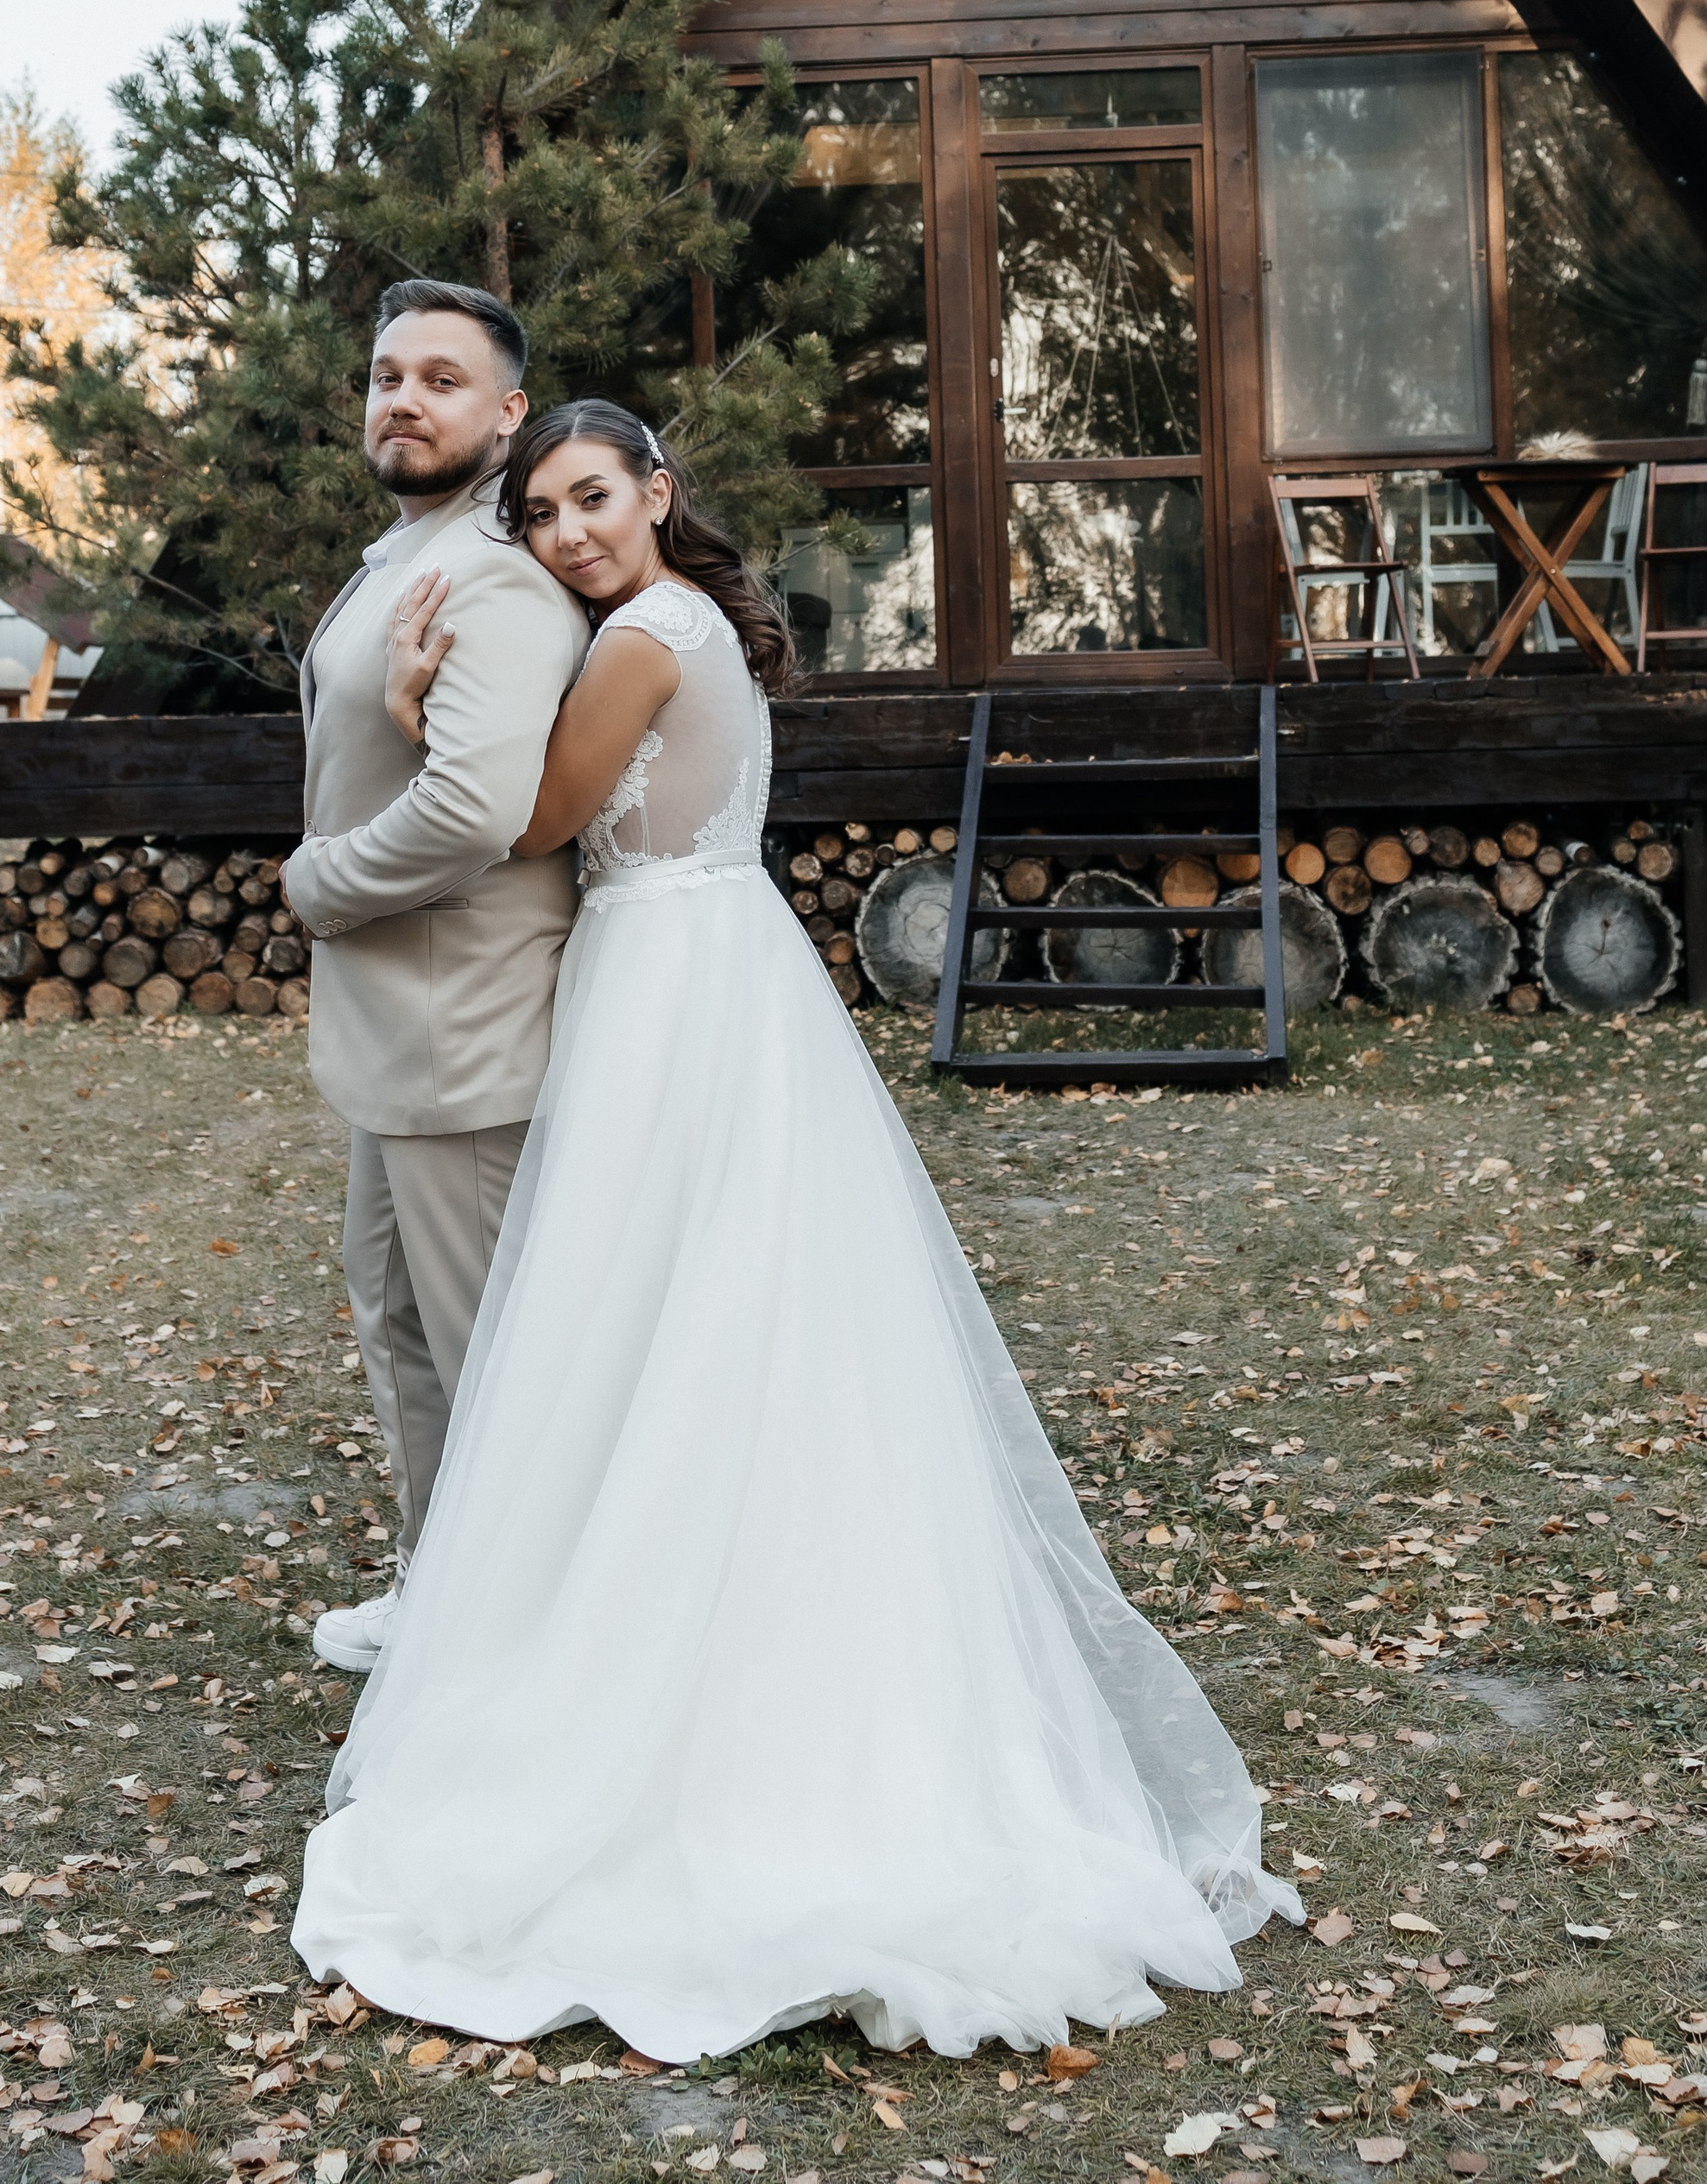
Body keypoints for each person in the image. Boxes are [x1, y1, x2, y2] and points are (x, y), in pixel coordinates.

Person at [291, 396, 1299, 2061]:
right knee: (732, 1309)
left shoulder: (644, 640)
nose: (567, 535)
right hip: (718, 968)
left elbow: (529, 820)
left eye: (592, 498)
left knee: (657, 1305)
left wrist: (410, 708)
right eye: (539, 515)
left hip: (668, 984)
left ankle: (671, 1683)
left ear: (657, 492)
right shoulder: (690, 622)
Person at [281, 281, 589, 1674]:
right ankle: (442, 1590)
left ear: (508, 414)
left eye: (442, 380)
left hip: (461, 1030)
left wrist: (318, 885)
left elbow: (476, 809)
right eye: (387, 374)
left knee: (484, 1354)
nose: (402, 398)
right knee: (398, 1317)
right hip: (397, 1035)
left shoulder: (495, 575)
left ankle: (518, 1645)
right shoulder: (413, 550)